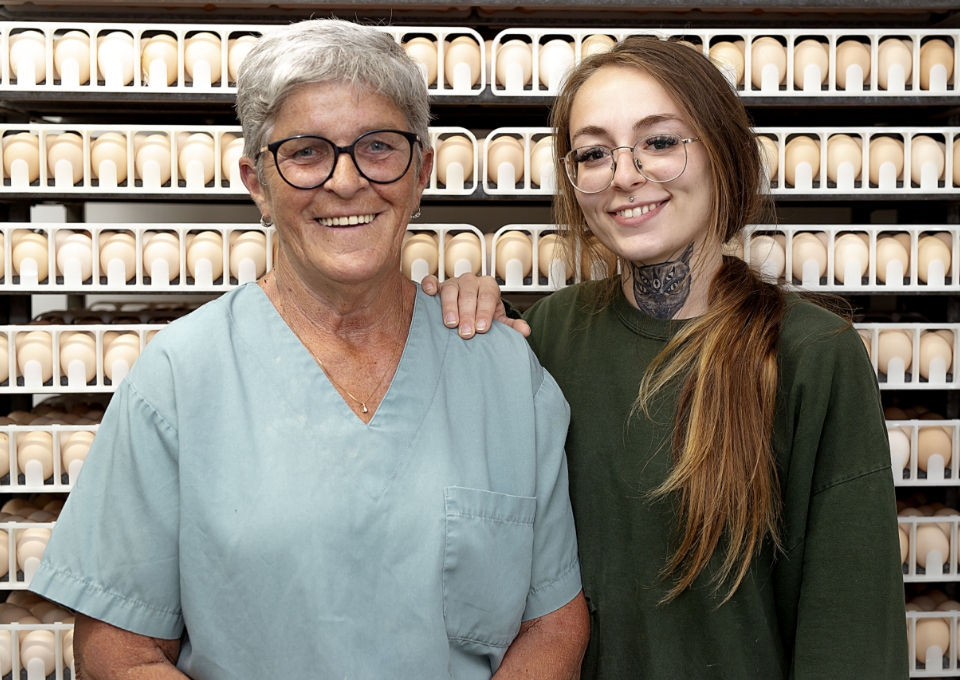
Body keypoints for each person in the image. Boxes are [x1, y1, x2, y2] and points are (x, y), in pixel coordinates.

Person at [29, 19, 588, 679]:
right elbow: (117, 651)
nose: (347, 182)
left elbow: (553, 623)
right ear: (257, 183)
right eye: (305, 152)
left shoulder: (499, 370)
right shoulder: (180, 378)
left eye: (379, 147)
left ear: (421, 173)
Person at [424, 36, 908, 678]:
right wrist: (460, 323)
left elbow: (851, 631)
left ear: (723, 154)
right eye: (594, 153)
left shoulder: (811, 353)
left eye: (659, 142)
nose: (624, 175)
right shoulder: (549, 336)